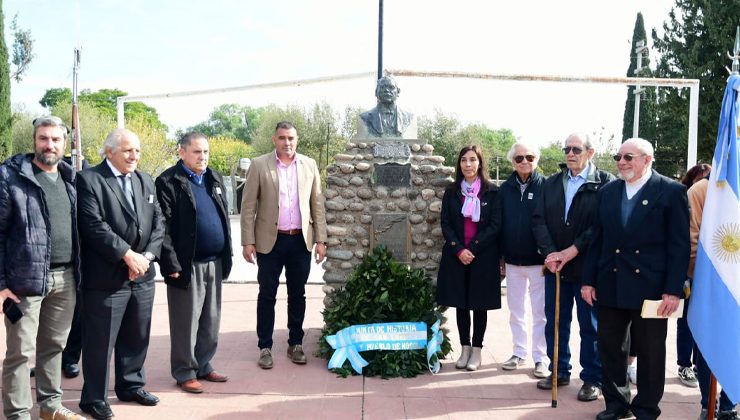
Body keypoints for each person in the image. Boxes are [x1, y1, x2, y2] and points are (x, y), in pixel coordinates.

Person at [582, 138, 689, 420]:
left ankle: (646, 408)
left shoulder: (670, 191)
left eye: (628, 157)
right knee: (610, 347)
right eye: (618, 156)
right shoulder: (608, 192)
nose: (621, 162)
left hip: (651, 287)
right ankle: (616, 404)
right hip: (611, 281)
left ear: (647, 159)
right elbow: (597, 239)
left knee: (652, 352)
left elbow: (679, 246)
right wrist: (588, 280)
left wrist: (672, 289)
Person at [77, 129, 165, 420]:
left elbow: (159, 223)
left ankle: (131, 385)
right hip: (106, 278)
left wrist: (147, 257)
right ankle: (93, 399)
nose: (134, 156)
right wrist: (127, 255)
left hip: (142, 276)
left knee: (137, 335)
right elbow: (93, 224)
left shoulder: (144, 179)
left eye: (137, 151)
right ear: (109, 151)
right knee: (100, 341)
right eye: (128, 150)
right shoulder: (89, 180)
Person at [0, 116, 85, 420]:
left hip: (66, 277)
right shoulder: (10, 178)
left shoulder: (72, 179)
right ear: (34, 140)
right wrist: (1, 284)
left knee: (53, 347)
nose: (49, 145)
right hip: (24, 281)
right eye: (43, 138)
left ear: (65, 143)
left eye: (55, 139)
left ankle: (50, 406)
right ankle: (18, 414)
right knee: (20, 353)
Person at [532, 132, 614, 402]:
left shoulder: (605, 184)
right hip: (556, 267)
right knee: (555, 322)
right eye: (566, 148)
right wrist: (550, 253)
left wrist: (573, 250)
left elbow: (600, 225)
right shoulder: (552, 183)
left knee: (590, 325)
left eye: (576, 149)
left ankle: (592, 378)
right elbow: (539, 220)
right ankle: (559, 370)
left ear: (590, 153)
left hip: (587, 267)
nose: (570, 154)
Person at [241, 121, 328, 369]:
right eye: (282, 138)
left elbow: (317, 205)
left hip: (300, 240)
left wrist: (321, 239)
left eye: (290, 138)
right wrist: (248, 240)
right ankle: (265, 346)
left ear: (297, 139)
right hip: (270, 241)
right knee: (267, 294)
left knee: (297, 293)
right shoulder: (259, 165)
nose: (286, 142)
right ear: (274, 139)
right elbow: (248, 207)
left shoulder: (309, 165)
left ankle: (295, 343)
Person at [155, 132, 233, 393]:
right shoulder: (168, 181)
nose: (203, 157)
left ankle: (203, 364)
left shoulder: (214, 177)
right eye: (197, 152)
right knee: (185, 322)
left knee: (211, 320)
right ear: (182, 152)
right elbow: (162, 227)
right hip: (186, 265)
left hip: (215, 262)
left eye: (206, 152)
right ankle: (184, 371)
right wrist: (170, 263)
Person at [436, 145, 502, 371]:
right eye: (464, 160)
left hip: (482, 255)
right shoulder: (451, 191)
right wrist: (459, 249)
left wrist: (472, 248)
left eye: (472, 160)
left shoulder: (492, 192)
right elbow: (445, 223)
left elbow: (495, 225)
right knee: (461, 304)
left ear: (480, 163)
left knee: (479, 304)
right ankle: (464, 347)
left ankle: (477, 350)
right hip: (457, 255)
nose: (468, 164)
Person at [686, 177, 738, 420]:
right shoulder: (702, 189)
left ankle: (729, 404)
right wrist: (707, 275)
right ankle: (708, 403)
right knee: (707, 346)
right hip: (709, 280)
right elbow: (692, 237)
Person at [498, 142, 548, 378]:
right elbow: (499, 224)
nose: (524, 161)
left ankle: (540, 358)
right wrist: (501, 256)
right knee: (516, 311)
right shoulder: (505, 188)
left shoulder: (547, 187)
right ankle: (519, 352)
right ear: (512, 162)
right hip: (513, 261)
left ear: (536, 159)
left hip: (539, 262)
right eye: (519, 158)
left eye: (529, 156)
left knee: (540, 313)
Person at [60, 154, 90, 380]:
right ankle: (44, 361)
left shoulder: (83, 173)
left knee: (78, 315)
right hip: (51, 260)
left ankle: (70, 358)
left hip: (80, 259)